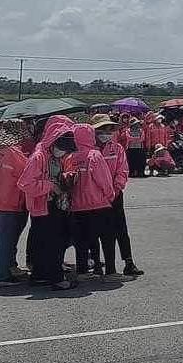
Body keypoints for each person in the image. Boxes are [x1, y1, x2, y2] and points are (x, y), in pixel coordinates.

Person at [18, 118, 78, 290]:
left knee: (42, 243)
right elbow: (25, 183)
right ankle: (56, 278)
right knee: (54, 244)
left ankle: (40, 275)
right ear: (53, 141)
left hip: (48, 205)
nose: (63, 152)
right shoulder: (39, 157)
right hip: (44, 205)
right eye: (62, 148)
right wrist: (51, 186)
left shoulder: (52, 156)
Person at [93, 116, 142, 278]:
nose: (107, 133)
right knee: (98, 232)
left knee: (121, 229)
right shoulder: (89, 149)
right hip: (96, 197)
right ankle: (97, 264)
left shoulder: (117, 148)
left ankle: (128, 262)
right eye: (103, 129)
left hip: (115, 195)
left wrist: (115, 189)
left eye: (109, 129)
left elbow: (123, 171)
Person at [67, 124, 117, 280]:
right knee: (105, 237)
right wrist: (110, 195)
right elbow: (104, 180)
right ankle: (106, 269)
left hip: (77, 205)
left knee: (82, 240)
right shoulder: (94, 155)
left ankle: (82, 270)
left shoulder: (70, 157)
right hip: (97, 203)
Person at [0, 120, 29, 289]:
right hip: (11, 201)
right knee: (5, 239)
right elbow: (26, 172)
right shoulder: (13, 151)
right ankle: (1, 275)